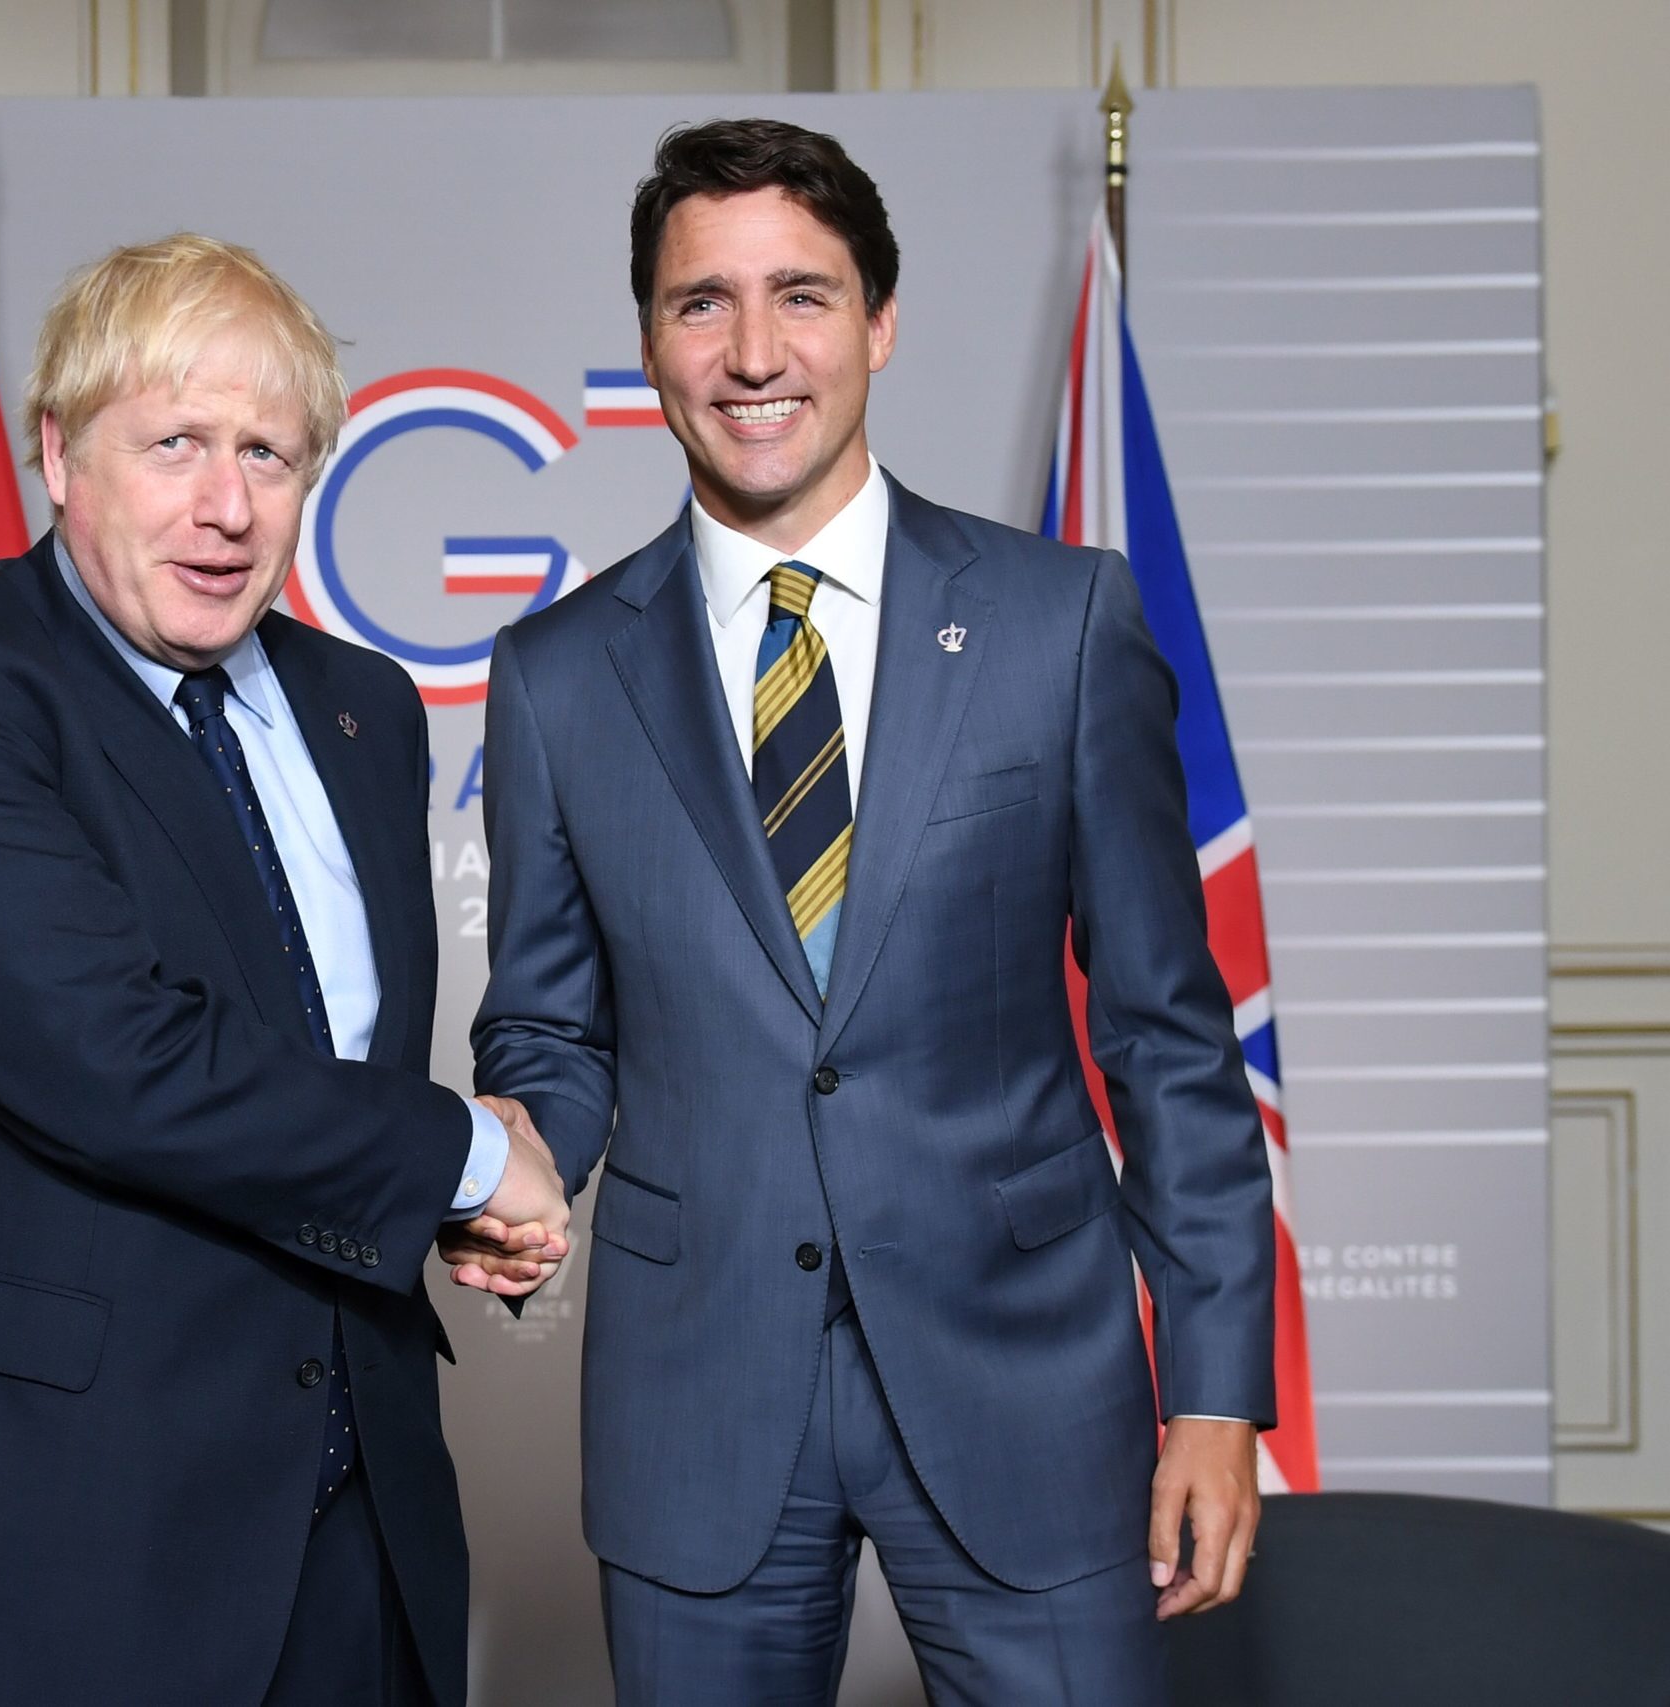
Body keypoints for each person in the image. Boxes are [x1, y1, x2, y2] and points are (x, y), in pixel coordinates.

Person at [452, 118, 1275, 1705]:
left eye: (802, 297)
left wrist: (1219, 1398)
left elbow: (1170, 1038)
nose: (754, 352)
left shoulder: (1061, 625)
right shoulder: (556, 676)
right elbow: (551, 1020)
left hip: (1027, 1381)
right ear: (648, 343)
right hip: (699, 1405)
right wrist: (520, 1150)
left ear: (881, 325)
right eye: (702, 303)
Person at [0, 233, 568, 1707]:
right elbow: (117, 1065)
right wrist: (467, 1155)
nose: (226, 506)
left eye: (270, 453)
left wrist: (425, 1190)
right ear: (58, 450)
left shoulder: (362, 708)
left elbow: (328, 1066)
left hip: (356, 1537)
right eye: (177, 444)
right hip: (45, 1546)